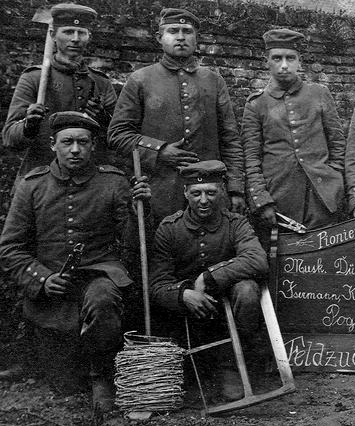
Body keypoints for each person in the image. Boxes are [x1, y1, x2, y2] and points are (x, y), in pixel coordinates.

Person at [0, 111, 151, 413]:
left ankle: (102, 376)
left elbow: (132, 246)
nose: (75, 150)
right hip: (54, 287)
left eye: (82, 142)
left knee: (102, 298)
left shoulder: (113, 182)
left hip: (99, 275)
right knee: (65, 385)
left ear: (93, 145)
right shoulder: (32, 185)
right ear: (53, 144)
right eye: (67, 142)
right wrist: (41, 278)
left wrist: (140, 212)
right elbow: (10, 247)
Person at [108, 8, 245, 227]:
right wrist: (160, 150)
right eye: (173, 31)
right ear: (159, 38)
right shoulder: (141, 79)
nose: (181, 37)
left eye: (187, 31)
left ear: (196, 39)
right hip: (159, 190)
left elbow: (230, 139)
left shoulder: (214, 81)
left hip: (207, 193)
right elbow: (118, 135)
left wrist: (236, 187)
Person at [149, 160, 268, 401]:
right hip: (189, 315)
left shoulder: (236, 223)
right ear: (185, 193)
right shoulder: (169, 228)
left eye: (211, 192)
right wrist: (184, 295)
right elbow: (157, 285)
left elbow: (257, 260)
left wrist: (210, 276)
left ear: (222, 191)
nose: (204, 200)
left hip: (229, 311)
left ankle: (234, 366)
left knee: (247, 290)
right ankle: (190, 371)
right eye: (196, 193)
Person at [2, 3, 117, 188]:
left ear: (89, 37)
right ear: (53, 35)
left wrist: (102, 119)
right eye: (68, 32)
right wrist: (29, 125)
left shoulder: (101, 82)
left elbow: (118, 137)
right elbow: (9, 138)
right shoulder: (35, 78)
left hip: (91, 186)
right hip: (42, 182)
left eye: (82, 33)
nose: (75, 39)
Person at [242, 28, 346, 233]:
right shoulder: (256, 104)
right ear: (266, 61)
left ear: (300, 61)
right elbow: (251, 157)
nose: (283, 65)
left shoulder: (319, 94)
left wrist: (334, 179)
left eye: (290, 58)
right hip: (279, 198)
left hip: (323, 196)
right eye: (277, 58)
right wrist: (261, 199)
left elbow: (337, 143)